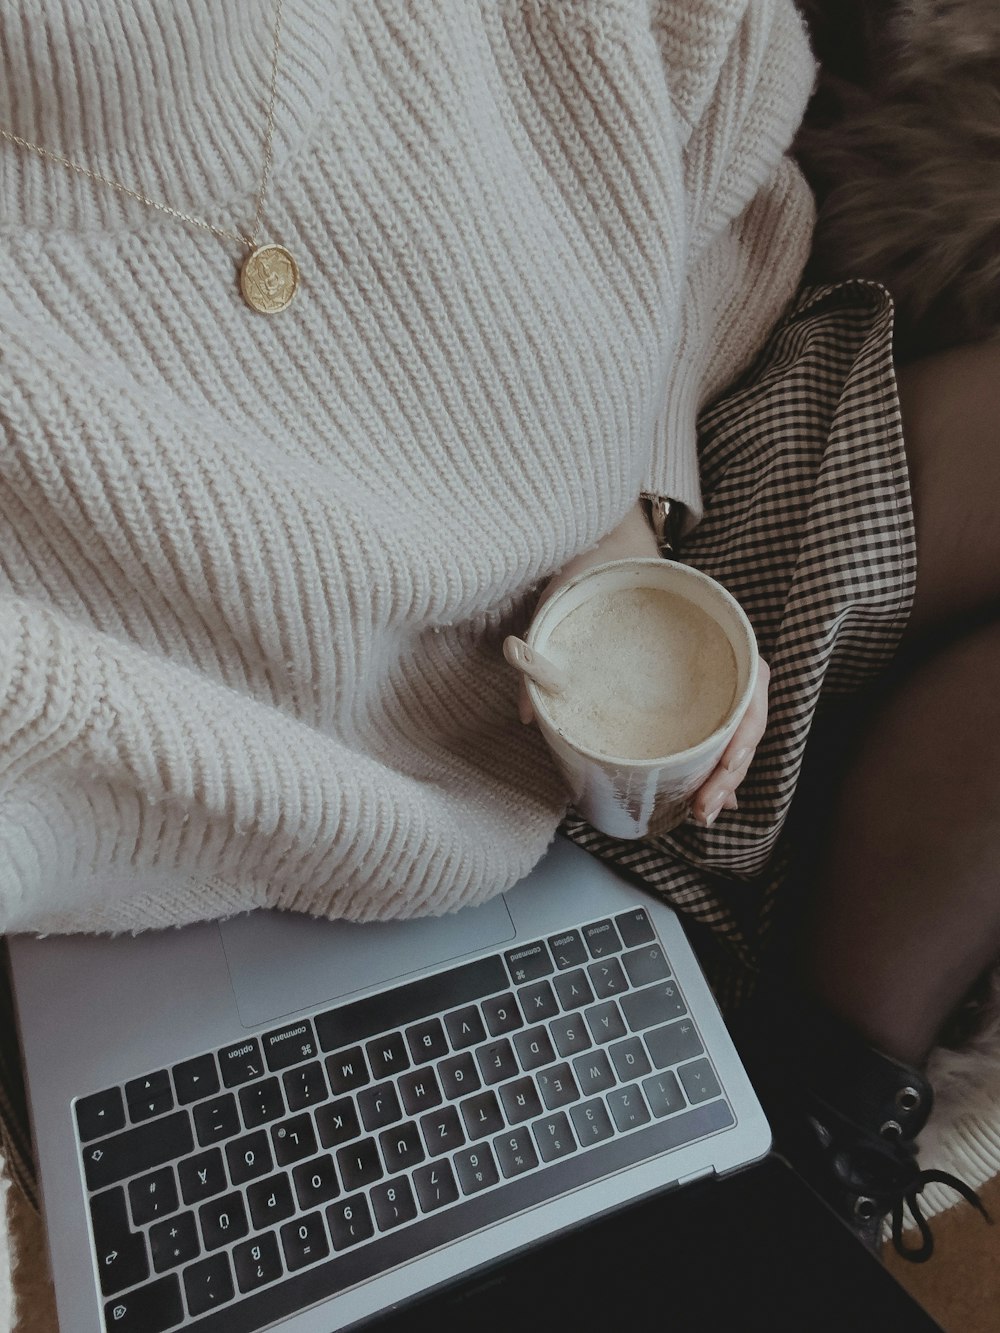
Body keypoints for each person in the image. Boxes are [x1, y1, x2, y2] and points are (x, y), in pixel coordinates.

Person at [0, 1, 990, 1316]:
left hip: (684, 532)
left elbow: (721, 85)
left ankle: (828, 1087)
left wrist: (632, 506)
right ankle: (818, 1089)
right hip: (286, 877)